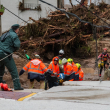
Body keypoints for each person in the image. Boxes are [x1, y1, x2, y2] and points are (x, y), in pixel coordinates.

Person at [0, 24, 23, 90]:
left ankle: (0, 81)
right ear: (16, 29)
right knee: (13, 70)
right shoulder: (14, 35)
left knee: (1, 67)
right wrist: (14, 50)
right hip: (6, 54)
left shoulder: (5, 34)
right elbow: (17, 45)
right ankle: (17, 86)